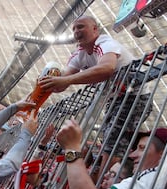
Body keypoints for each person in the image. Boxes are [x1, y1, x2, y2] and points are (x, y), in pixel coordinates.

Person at [38, 15, 151, 175]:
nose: (76, 31)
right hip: (117, 98)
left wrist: (67, 80)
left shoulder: (104, 43)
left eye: (81, 27)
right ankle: (99, 179)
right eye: (74, 28)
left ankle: (101, 184)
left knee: (113, 139)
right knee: (108, 137)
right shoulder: (79, 53)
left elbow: (107, 68)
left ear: (95, 29)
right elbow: (63, 81)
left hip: (135, 96)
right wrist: (50, 81)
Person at [56, 118, 167, 189]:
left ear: (162, 154)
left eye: (142, 148)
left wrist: (71, 148)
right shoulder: (154, 180)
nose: (132, 155)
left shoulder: (150, 181)